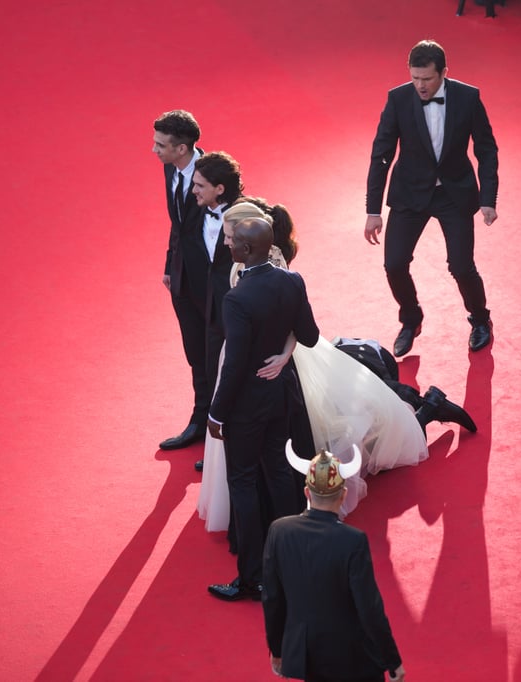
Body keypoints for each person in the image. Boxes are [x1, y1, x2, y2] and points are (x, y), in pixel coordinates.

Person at [197, 201, 475, 532]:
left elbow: (291, 325)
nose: (224, 242)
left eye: (229, 236)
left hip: (285, 364)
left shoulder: (272, 266)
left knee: (327, 431)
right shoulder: (250, 263)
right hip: (267, 365)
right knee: (319, 430)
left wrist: (285, 355)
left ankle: (425, 410)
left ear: (247, 240)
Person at [206, 217, 320, 601]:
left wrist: (216, 413)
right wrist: (284, 353)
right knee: (279, 474)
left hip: (245, 409)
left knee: (243, 484)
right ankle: (292, 558)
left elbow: (235, 364)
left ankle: (252, 578)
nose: (228, 246)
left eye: (233, 241)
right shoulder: (292, 281)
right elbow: (310, 335)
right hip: (280, 399)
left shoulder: (237, 298)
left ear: (248, 250)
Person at [365, 39, 498, 357]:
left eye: (426, 78)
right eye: (415, 78)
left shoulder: (468, 97)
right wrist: (373, 209)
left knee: (462, 266)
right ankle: (411, 319)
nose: (420, 86)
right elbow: (381, 154)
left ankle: (480, 320)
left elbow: (486, 148)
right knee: (394, 264)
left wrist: (488, 197)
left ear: (444, 73)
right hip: (411, 191)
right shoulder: (398, 99)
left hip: (454, 192)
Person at [262, 446, 406, 682]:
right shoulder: (353, 541)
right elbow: (370, 609)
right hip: (351, 658)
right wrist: (392, 660)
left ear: (307, 493)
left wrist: (278, 650)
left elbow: (272, 600)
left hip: (305, 654)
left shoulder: (279, 531)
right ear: (343, 494)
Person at [152, 110, 209, 456]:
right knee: (195, 352)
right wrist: (169, 266)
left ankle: (223, 434)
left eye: (161, 145)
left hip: (213, 285)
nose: (154, 150)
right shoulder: (169, 167)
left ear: (182, 147)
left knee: (219, 354)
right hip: (182, 279)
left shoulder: (215, 174)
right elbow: (178, 223)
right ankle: (200, 420)